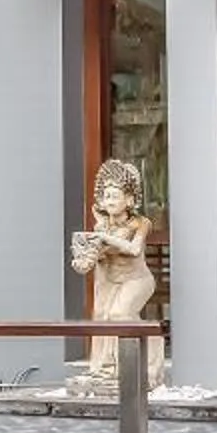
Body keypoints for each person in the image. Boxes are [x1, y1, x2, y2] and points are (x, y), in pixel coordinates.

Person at [69, 158, 166, 390]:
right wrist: (84, 259)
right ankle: (107, 369)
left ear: (129, 199)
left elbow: (134, 249)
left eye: (115, 196)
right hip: (111, 280)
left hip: (137, 280)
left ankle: (151, 351)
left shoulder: (141, 223)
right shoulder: (101, 227)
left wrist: (105, 239)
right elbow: (97, 257)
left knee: (120, 314)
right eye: (106, 196)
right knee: (103, 317)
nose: (109, 201)